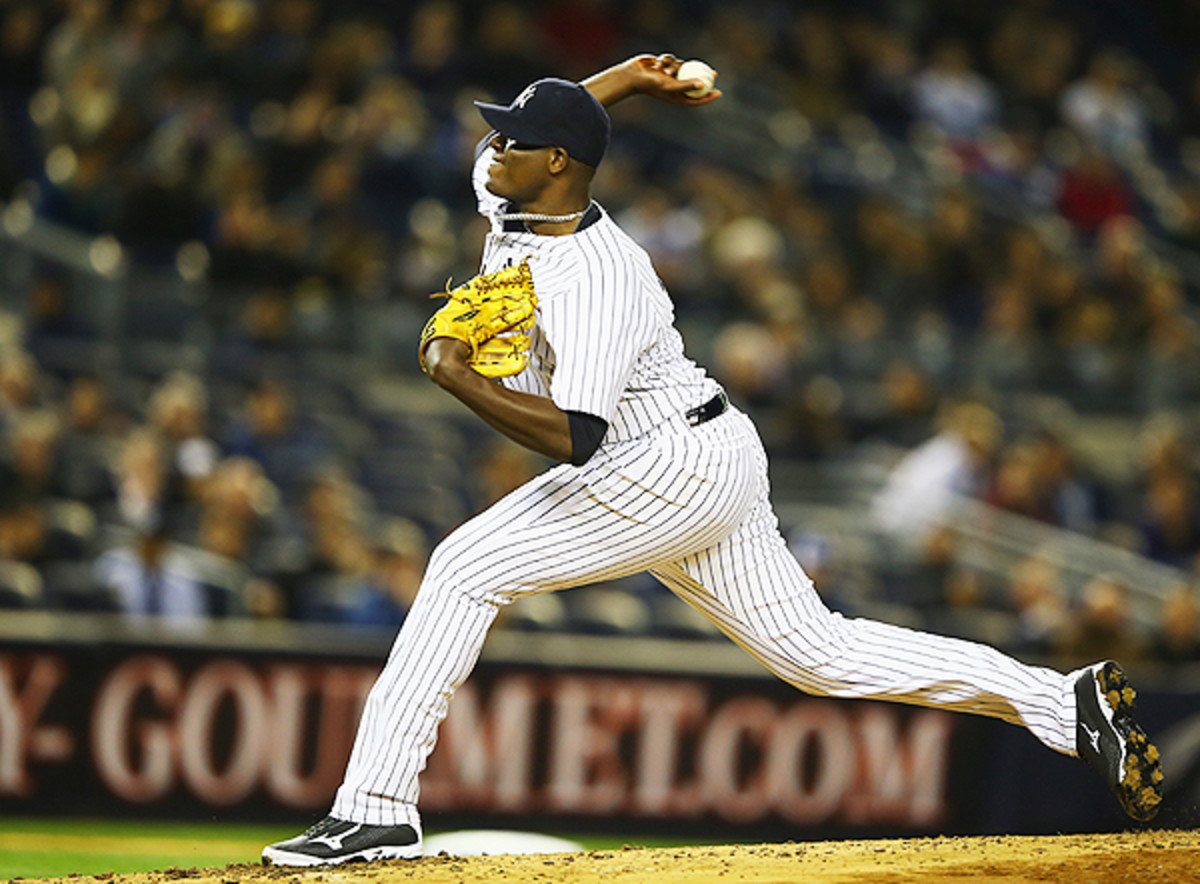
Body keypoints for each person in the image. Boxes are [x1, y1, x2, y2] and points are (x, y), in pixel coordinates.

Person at [262, 54, 1163, 866]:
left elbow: (579, 437)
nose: (493, 146)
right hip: (701, 452)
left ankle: (374, 807)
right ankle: (1061, 704)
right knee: (820, 655)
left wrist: (455, 376)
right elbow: (563, 120)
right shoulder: (514, 190)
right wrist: (628, 80)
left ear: (560, 165)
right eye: (502, 131)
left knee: (462, 569)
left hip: (665, 462)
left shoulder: (599, 277)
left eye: (518, 138)